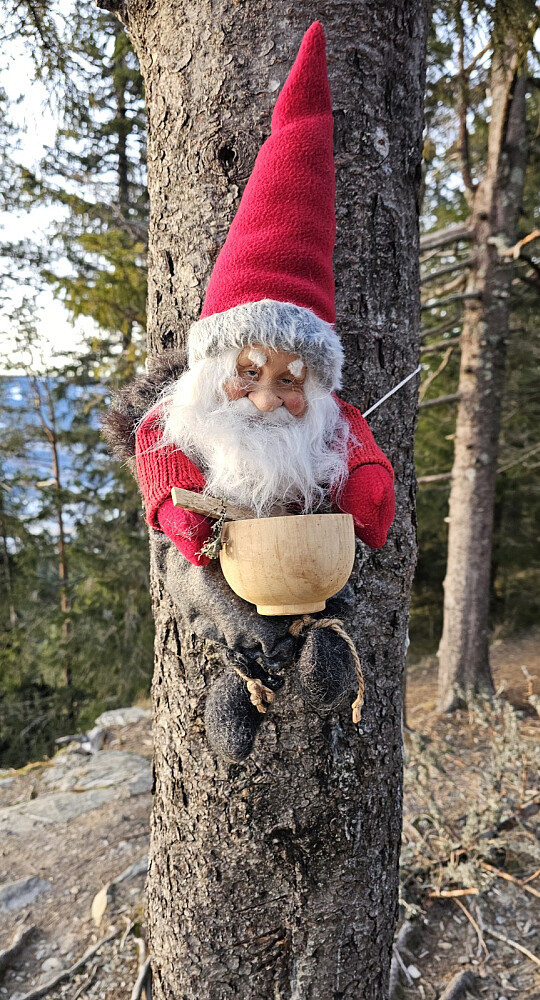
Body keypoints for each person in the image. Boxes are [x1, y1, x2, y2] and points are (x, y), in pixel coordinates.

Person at [106, 23, 395, 762]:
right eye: (249, 374)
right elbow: (162, 462)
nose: (267, 398)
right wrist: (178, 509)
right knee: (220, 603)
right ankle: (241, 677)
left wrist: (364, 489)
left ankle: (325, 645)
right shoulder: (183, 418)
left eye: (290, 382)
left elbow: (359, 454)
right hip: (220, 554)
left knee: (329, 592)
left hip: (306, 547)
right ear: (214, 368)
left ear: (315, 379)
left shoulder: (328, 421)